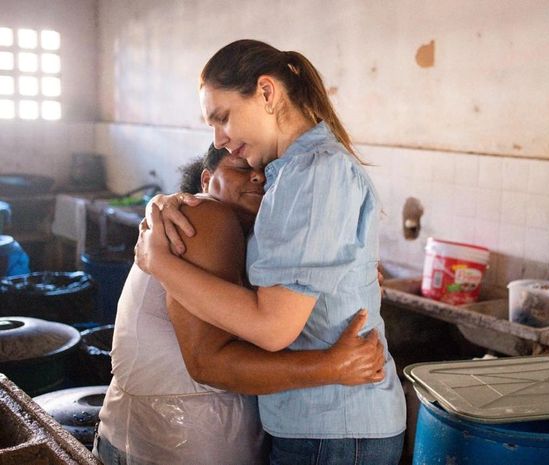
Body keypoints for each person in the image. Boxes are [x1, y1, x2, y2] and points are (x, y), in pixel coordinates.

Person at [136, 39, 406, 465]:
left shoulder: (312, 172)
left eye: (222, 118)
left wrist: (159, 262)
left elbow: (272, 328)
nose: (220, 139)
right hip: (323, 422)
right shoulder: (293, 172)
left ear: (266, 92)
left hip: (333, 424)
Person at [96, 144, 386, 465]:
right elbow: (207, 363)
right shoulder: (205, 216)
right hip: (174, 444)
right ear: (206, 181)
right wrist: (332, 367)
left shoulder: (257, 244)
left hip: (178, 439)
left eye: (268, 172)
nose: (259, 177)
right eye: (241, 168)